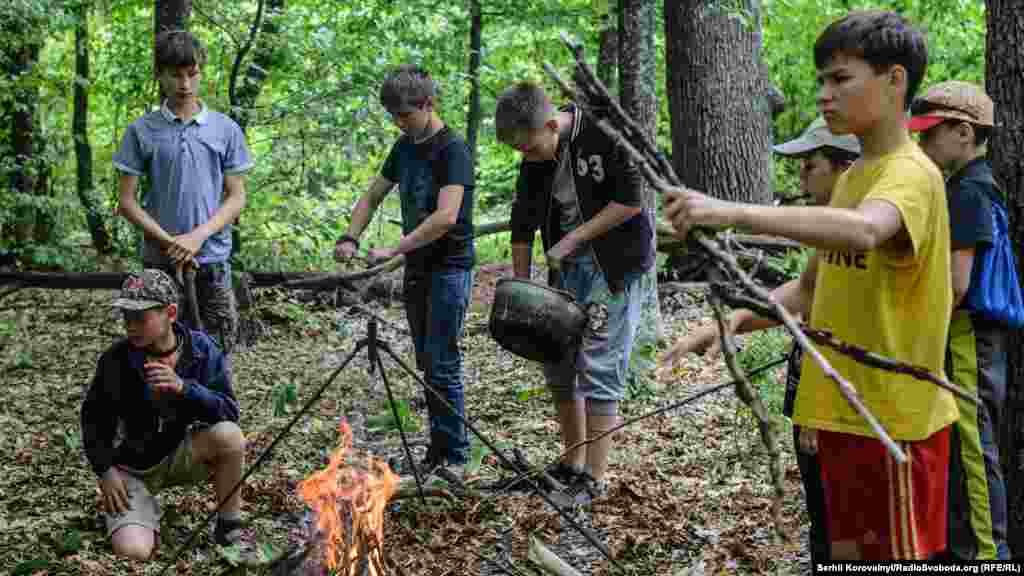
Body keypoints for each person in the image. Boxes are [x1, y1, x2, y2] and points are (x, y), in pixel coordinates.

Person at [664, 11, 956, 560]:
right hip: (840, 417)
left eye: (840, 79)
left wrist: (733, 212)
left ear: (895, 81)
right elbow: (807, 292)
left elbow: (867, 231)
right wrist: (729, 323)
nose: (825, 95)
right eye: (822, 80)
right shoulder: (852, 177)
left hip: (894, 422)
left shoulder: (912, 174)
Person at [661, 116, 860, 564]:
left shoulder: (870, 227)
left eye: (811, 164)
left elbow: (854, 327)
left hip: (847, 411)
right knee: (827, 527)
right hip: (814, 395)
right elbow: (807, 290)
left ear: (845, 167)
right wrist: (728, 323)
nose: (802, 175)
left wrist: (822, 413)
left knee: (848, 531)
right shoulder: (835, 234)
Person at [493, 81, 655, 504]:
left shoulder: (606, 130)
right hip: (565, 268)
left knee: (599, 362)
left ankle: (594, 478)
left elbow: (631, 202)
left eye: (528, 148)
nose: (524, 157)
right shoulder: (535, 155)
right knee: (557, 358)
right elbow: (523, 221)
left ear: (551, 124)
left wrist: (574, 239)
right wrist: (523, 283)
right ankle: (571, 464)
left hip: (612, 266)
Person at [334, 65, 475, 479]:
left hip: (449, 268)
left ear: (428, 104)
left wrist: (395, 247)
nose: (400, 123)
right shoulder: (404, 146)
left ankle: (457, 456)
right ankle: (440, 447)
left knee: (442, 363)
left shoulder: (453, 151)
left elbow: (447, 217)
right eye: (394, 116)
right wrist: (350, 236)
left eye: (406, 115)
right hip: (419, 269)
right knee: (426, 360)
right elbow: (374, 194)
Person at [909, 80, 1010, 561]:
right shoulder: (970, 186)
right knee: (965, 442)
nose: (922, 144)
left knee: (972, 445)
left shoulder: (968, 191)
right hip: (968, 337)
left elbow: (956, 283)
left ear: (964, 133)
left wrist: (919, 334)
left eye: (930, 134)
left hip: (967, 335)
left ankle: (991, 556)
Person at [81, 269, 246, 559]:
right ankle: (139, 516)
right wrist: (105, 470)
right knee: (133, 552)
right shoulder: (115, 360)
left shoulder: (201, 349)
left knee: (229, 436)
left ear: (170, 313)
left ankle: (229, 525)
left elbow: (229, 410)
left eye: (140, 318)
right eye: (126, 318)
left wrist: (185, 388)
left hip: (180, 452)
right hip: (131, 468)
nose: (131, 327)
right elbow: (94, 421)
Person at [114, 30, 253, 354]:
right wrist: (170, 242)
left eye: (192, 75)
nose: (185, 85)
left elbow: (237, 197)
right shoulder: (141, 130)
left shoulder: (225, 128)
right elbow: (127, 201)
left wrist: (197, 237)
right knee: (157, 350)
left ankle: (210, 405)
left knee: (216, 349)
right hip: (158, 264)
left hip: (212, 259)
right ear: (160, 75)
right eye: (175, 76)